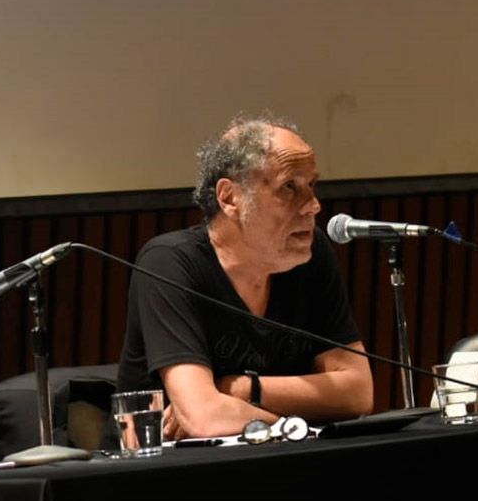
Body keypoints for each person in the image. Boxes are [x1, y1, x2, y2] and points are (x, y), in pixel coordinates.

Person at [117, 115, 373, 438]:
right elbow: (205, 417)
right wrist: (290, 426)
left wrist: (241, 389)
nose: (313, 206)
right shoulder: (169, 263)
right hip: (158, 476)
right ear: (229, 198)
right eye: (289, 187)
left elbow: (358, 392)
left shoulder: (312, 254)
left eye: (312, 186)